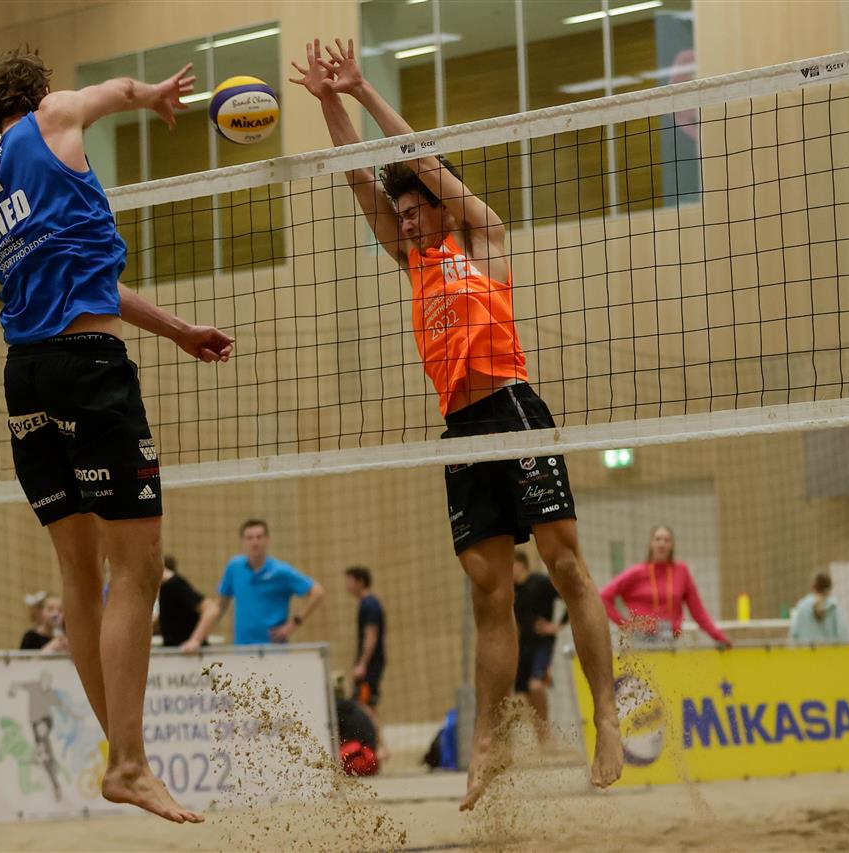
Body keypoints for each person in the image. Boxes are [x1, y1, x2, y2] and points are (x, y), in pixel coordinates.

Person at [292, 38, 623, 810]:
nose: (407, 222)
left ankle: (607, 715)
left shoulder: (482, 240)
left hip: (513, 407)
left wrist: (364, 89)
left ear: (439, 207)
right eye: (401, 214)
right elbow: (359, 178)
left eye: (416, 210)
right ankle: (488, 743)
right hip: (462, 429)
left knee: (565, 566)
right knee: (486, 592)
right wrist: (329, 104)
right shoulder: (411, 262)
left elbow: (422, 159)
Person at [0, 48, 233, 823]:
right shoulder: (53, 117)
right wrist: (151, 94)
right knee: (138, 569)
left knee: (79, 576)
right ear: (41, 95)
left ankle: (122, 755)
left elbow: (90, 279)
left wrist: (177, 329)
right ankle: (130, 762)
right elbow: (111, 90)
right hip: (88, 370)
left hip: (26, 378)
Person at [199, 520, 325, 646]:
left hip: (273, 648)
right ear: (242, 541)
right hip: (242, 647)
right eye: (249, 538)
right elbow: (221, 605)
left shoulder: (281, 571)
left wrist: (293, 624)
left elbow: (318, 592)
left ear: (267, 540)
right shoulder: (234, 567)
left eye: (259, 537)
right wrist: (201, 634)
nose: (255, 542)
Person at [599, 526, 731, 646]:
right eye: (658, 539)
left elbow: (698, 612)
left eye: (666, 540)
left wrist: (718, 636)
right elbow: (603, 597)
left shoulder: (682, 571)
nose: (662, 543)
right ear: (651, 544)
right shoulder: (636, 572)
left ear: (672, 545)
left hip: (671, 639)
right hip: (641, 640)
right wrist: (624, 625)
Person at [512, 551, 566, 741]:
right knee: (524, 693)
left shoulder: (541, 582)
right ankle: (541, 738)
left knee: (535, 686)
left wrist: (556, 627)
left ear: (521, 565)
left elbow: (569, 598)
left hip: (542, 644)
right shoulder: (511, 590)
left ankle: (545, 732)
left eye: (511, 566)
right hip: (521, 647)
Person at [344, 566, 386, 758]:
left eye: (350, 581)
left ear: (360, 582)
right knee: (367, 705)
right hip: (370, 663)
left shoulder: (370, 605)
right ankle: (381, 746)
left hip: (371, 664)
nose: (347, 585)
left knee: (365, 705)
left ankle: (382, 747)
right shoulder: (366, 604)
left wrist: (362, 663)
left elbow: (371, 636)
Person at [157, 555, 221, 653]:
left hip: (189, 655)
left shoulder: (174, 584)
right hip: (176, 653)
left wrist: (195, 641)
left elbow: (212, 609)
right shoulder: (164, 587)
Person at [789, 572, 849, 644]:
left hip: (806, 650)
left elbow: (794, 634)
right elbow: (843, 635)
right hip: (830, 650)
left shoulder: (802, 605)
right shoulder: (834, 606)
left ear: (813, 587)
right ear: (830, 587)